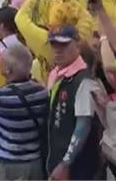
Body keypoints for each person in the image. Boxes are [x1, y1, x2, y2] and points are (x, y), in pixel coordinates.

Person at [0, 44, 48, 181]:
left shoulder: (1, 97)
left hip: (7, 165)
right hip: (34, 163)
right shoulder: (42, 93)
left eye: (2, 61)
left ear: (8, 70)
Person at [44, 25, 102, 181]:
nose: (57, 50)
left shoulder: (84, 81)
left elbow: (83, 125)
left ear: (77, 44)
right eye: (53, 44)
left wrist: (66, 163)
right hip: (54, 160)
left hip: (78, 168)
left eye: (63, 44)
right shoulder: (55, 74)